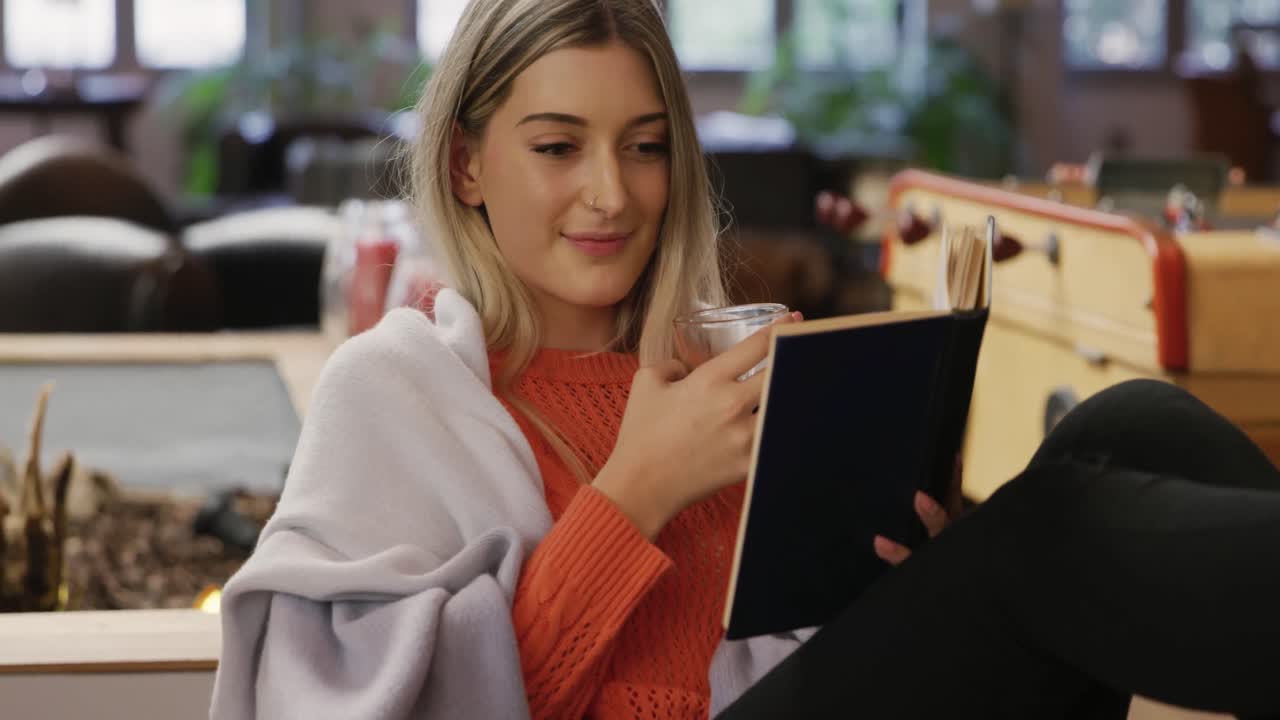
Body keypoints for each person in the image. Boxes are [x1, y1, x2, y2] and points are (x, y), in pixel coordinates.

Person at [209, 1, 1280, 718]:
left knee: (1128, 423)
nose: (610, 193)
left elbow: (802, 651)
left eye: (642, 145)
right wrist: (635, 493)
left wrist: (916, 572)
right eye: (555, 146)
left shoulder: (711, 366)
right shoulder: (393, 391)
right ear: (466, 165)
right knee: (1046, 533)